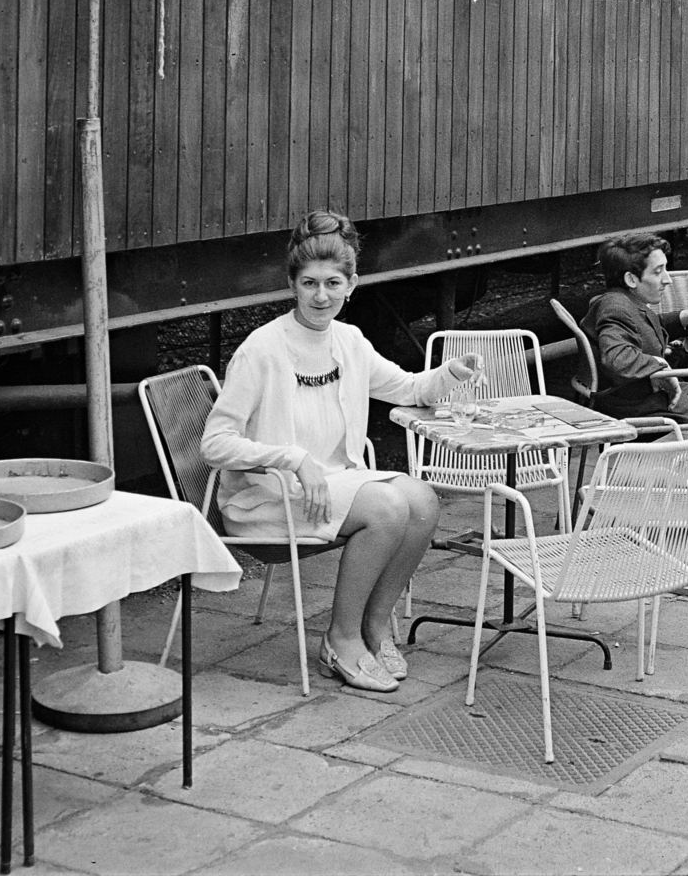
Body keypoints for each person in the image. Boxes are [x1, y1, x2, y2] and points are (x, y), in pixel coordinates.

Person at [201, 210, 481, 694]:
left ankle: (373, 627)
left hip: (330, 486)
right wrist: (292, 458)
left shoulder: (349, 341)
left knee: (424, 500)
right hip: (267, 499)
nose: (321, 295)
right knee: (390, 506)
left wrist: (451, 373)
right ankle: (340, 639)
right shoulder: (262, 348)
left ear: (352, 284)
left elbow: (411, 388)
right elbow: (215, 442)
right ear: (292, 284)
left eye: (334, 283)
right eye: (309, 283)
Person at [582, 232, 688, 432]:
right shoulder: (616, 308)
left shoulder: (622, 301)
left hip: (640, 395)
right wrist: (659, 365)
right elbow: (617, 358)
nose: (668, 280)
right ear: (631, 279)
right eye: (658, 271)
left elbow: (649, 325)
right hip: (634, 406)